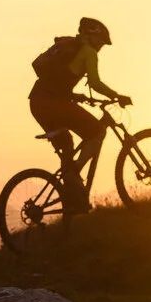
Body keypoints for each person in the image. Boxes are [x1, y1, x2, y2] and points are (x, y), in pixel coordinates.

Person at [29, 17, 131, 211]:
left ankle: (73, 197)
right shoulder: (88, 53)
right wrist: (117, 96)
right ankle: (74, 173)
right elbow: (95, 83)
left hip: (37, 103)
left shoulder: (69, 48)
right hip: (54, 104)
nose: (101, 46)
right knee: (98, 131)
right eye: (100, 41)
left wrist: (75, 96)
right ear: (90, 37)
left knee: (66, 144)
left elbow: (57, 81)